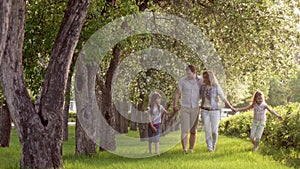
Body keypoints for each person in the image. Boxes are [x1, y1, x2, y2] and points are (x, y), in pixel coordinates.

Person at [199, 70, 235, 152]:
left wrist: (231, 107)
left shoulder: (216, 87)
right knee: (207, 130)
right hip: (204, 111)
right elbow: (198, 97)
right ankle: (210, 148)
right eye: (203, 77)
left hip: (215, 110)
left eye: (206, 77)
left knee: (214, 131)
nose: (204, 79)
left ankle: (214, 144)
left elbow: (223, 98)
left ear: (210, 77)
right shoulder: (203, 87)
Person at [173, 65, 202, 153]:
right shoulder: (183, 80)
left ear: (194, 72)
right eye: (186, 73)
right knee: (184, 129)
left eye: (189, 73)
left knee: (193, 130)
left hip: (196, 108)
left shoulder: (201, 81)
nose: (187, 75)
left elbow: (206, 90)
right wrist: (175, 104)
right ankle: (184, 149)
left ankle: (191, 149)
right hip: (185, 108)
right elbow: (177, 93)